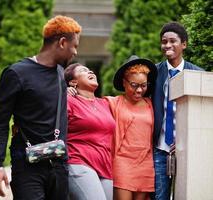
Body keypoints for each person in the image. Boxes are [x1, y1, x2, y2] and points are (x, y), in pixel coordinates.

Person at [0, 15, 81, 200]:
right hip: (27, 166)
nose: (75, 53)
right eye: (75, 46)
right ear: (62, 42)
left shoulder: (61, 75)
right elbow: (0, 121)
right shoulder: (16, 73)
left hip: (59, 164)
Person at [152, 22, 204, 200]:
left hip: (187, 150)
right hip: (160, 148)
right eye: (164, 41)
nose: (167, 45)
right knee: (159, 197)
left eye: (172, 41)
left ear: (184, 44)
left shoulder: (198, 75)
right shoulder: (154, 73)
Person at [106, 55, 158, 200]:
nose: (140, 90)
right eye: (134, 85)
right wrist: (73, 90)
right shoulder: (113, 103)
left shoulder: (151, 104)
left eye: (144, 85)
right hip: (122, 162)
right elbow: (89, 105)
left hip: (145, 163)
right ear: (124, 82)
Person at [64, 63, 116, 200]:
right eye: (83, 71)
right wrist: (62, 93)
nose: (90, 71)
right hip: (78, 161)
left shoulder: (105, 104)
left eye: (90, 70)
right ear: (73, 82)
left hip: (105, 166)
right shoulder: (68, 100)